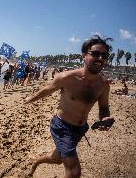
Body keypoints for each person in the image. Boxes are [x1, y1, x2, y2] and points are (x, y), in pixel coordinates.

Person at [24, 35, 115, 178]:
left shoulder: (103, 85)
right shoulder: (66, 77)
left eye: (104, 55)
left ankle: (36, 162)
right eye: (95, 54)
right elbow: (47, 90)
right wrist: (30, 98)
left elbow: (103, 108)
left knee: (56, 159)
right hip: (62, 127)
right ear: (84, 55)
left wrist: (105, 118)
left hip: (80, 129)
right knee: (74, 172)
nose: (100, 58)